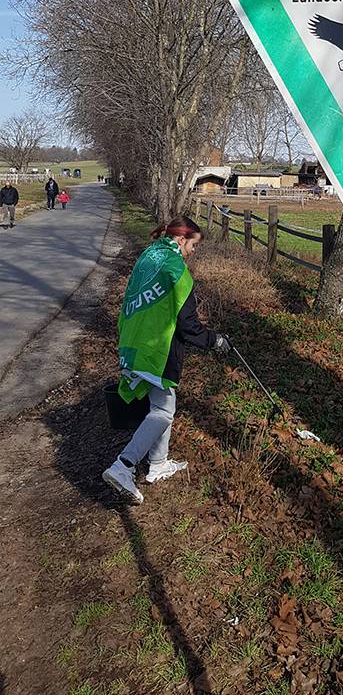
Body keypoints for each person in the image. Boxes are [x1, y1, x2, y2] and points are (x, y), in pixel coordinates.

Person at [102, 216, 232, 504]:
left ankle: (158, 463)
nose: (194, 251)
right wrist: (215, 340)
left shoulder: (150, 255)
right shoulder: (176, 271)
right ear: (182, 239)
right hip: (155, 349)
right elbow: (188, 326)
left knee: (161, 403)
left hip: (132, 341)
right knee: (163, 411)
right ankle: (123, 466)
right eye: (194, 245)